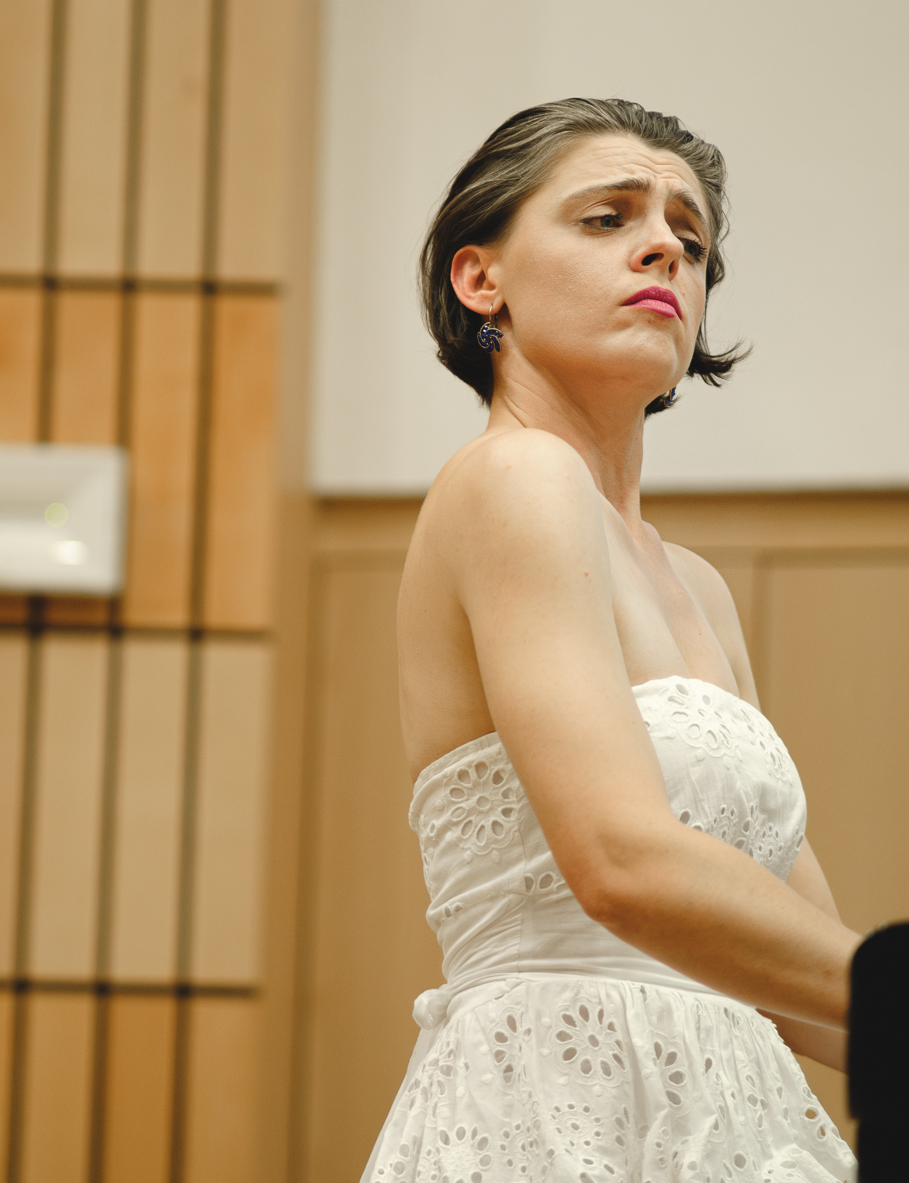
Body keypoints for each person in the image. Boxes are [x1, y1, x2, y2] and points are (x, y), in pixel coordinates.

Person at [364, 99, 860, 1182]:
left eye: (691, 239)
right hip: (559, 1100)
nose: (664, 250)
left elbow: (796, 971)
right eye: (607, 218)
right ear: (479, 279)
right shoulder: (513, 475)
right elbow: (622, 864)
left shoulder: (700, 589)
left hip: (734, 1111)